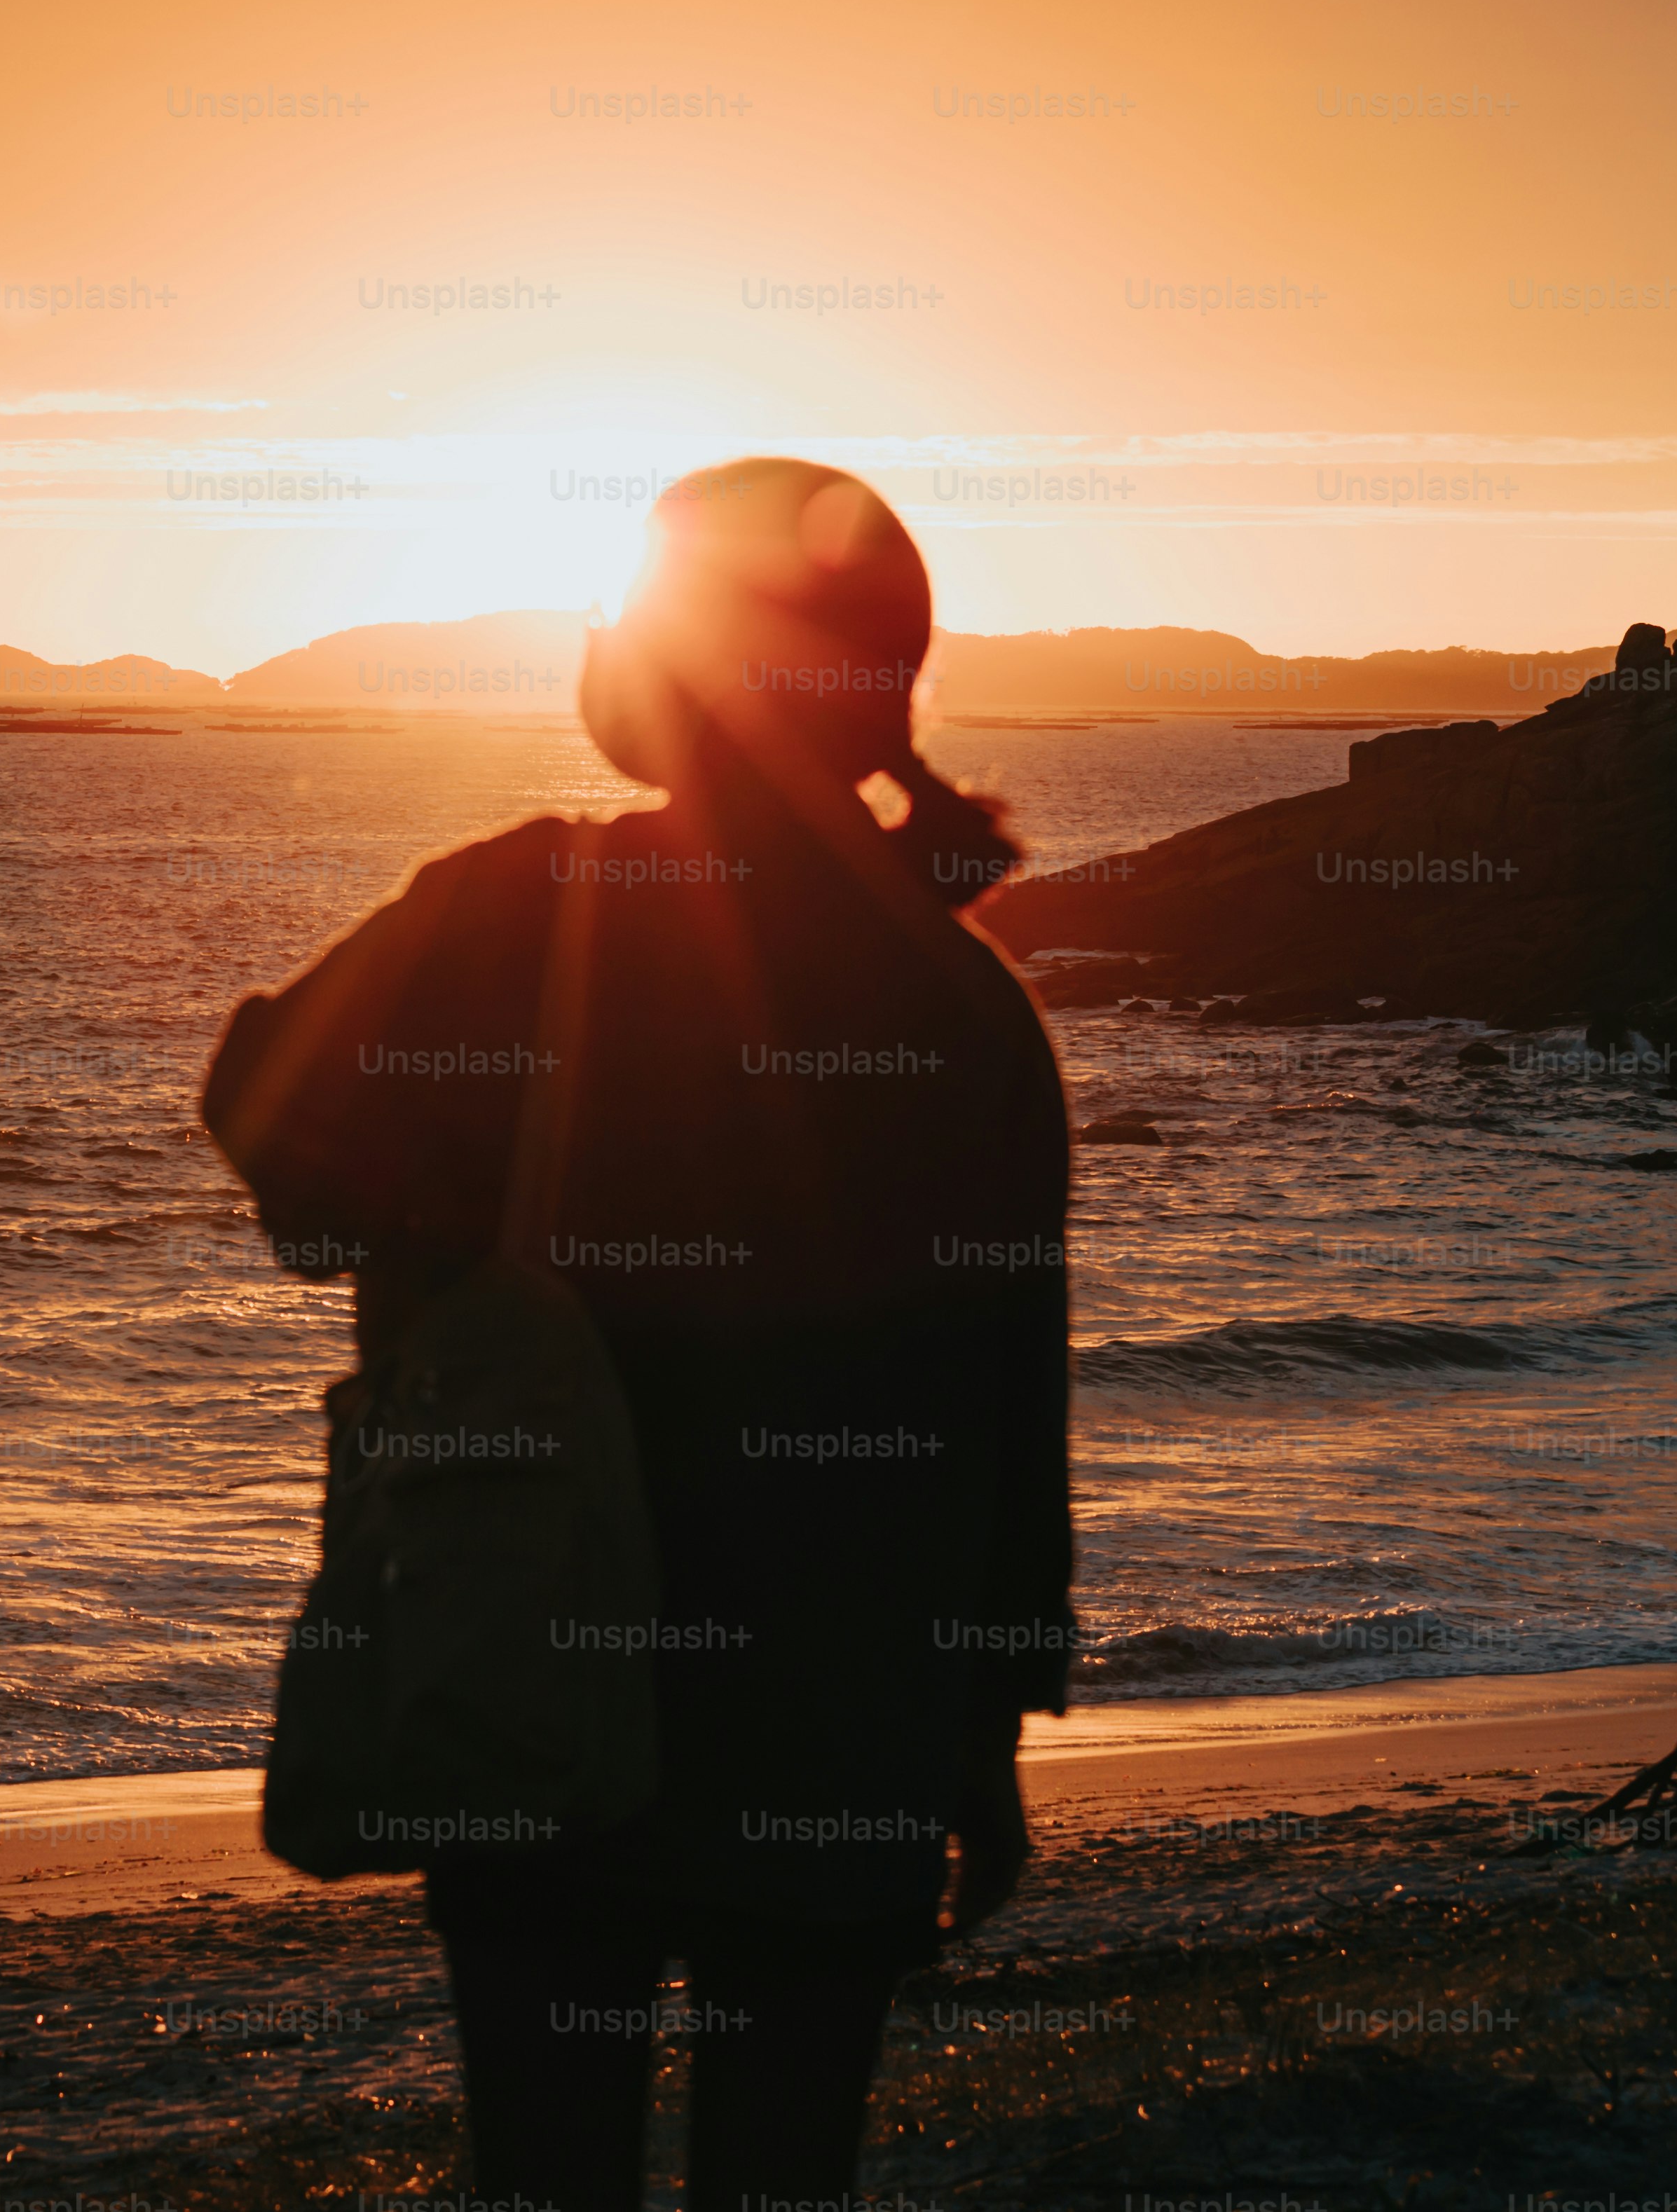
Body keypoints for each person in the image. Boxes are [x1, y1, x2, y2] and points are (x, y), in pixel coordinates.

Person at [200, 458, 1074, 2203]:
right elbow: (1006, 1416)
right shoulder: (963, 1007)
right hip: (845, 1730)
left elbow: (268, 1114)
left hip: (532, 1671)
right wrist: (984, 1747)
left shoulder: (516, 908)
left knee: (543, 2171)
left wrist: (432, 1224)